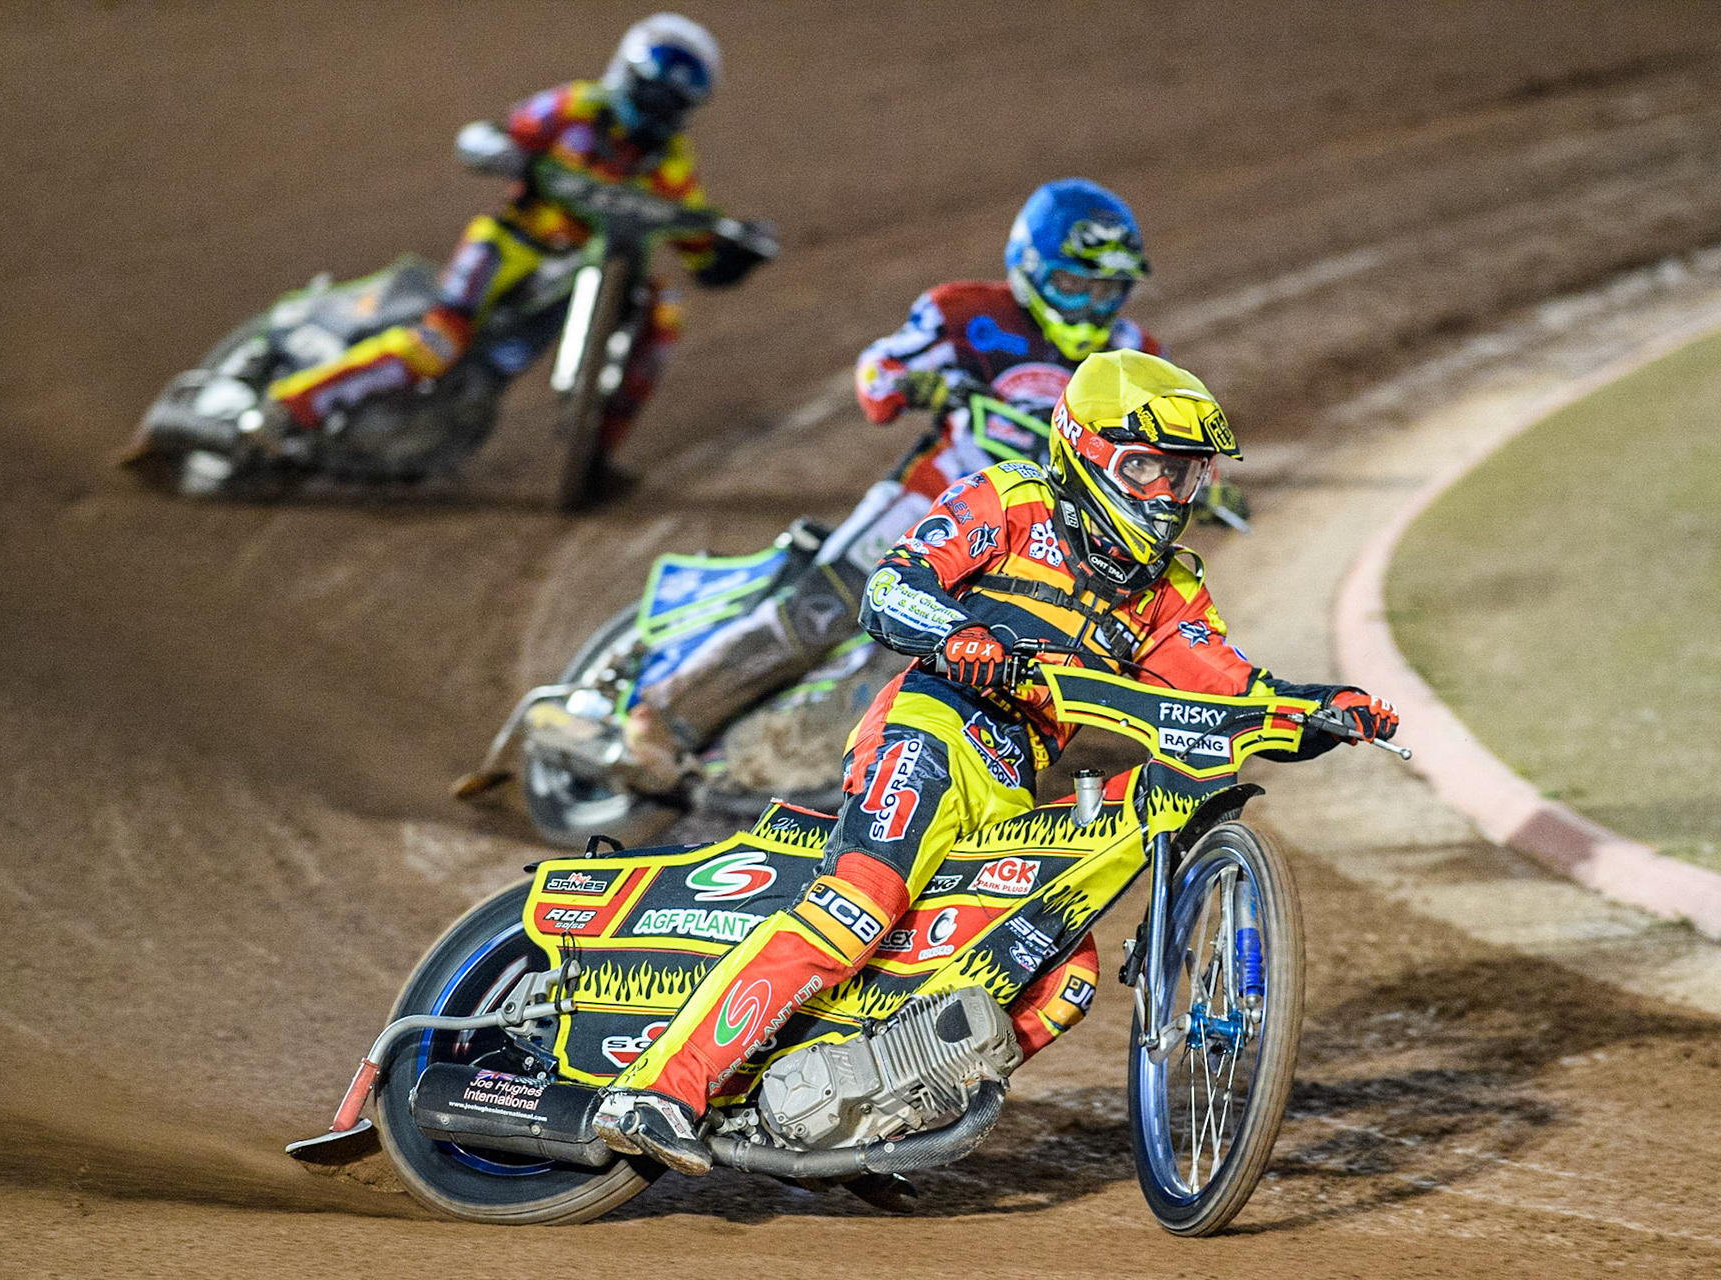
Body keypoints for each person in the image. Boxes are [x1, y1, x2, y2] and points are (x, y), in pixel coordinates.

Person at [592, 349, 1399, 1175]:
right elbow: (891, 587)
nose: (1165, 494)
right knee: (860, 906)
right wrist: (958, 635)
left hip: (1011, 788)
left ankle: (870, 1120)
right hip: (929, 732)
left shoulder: (1169, 593)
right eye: (1146, 467)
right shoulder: (1010, 502)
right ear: (1086, 452)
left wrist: (1326, 708)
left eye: (1184, 474)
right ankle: (657, 1092)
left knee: (1060, 973)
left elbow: (1233, 691)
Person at [596, 179, 1164, 789]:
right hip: (931, 506)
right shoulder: (967, 313)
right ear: (1030, 268)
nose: (1089, 307)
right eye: (1075, 285)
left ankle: (819, 772)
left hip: (1032, 544)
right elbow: (877, 374)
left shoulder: (1134, 359)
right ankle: (662, 718)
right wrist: (912, 383)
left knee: (988, 665)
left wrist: (1193, 486)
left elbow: (1162, 441)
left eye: (1108, 291)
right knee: (822, 610)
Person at [269, 14, 766, 477]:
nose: (657, 113)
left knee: (662, 316)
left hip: (585, 275)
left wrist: (738, 252)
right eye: (653, 97)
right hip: (510, 246)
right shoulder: (575, 108)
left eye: (671, 104)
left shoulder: (671, 165)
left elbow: (701, 251)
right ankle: (287, 409)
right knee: (438, 344)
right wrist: (504, 152)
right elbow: (490, 136)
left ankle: (597, 457)